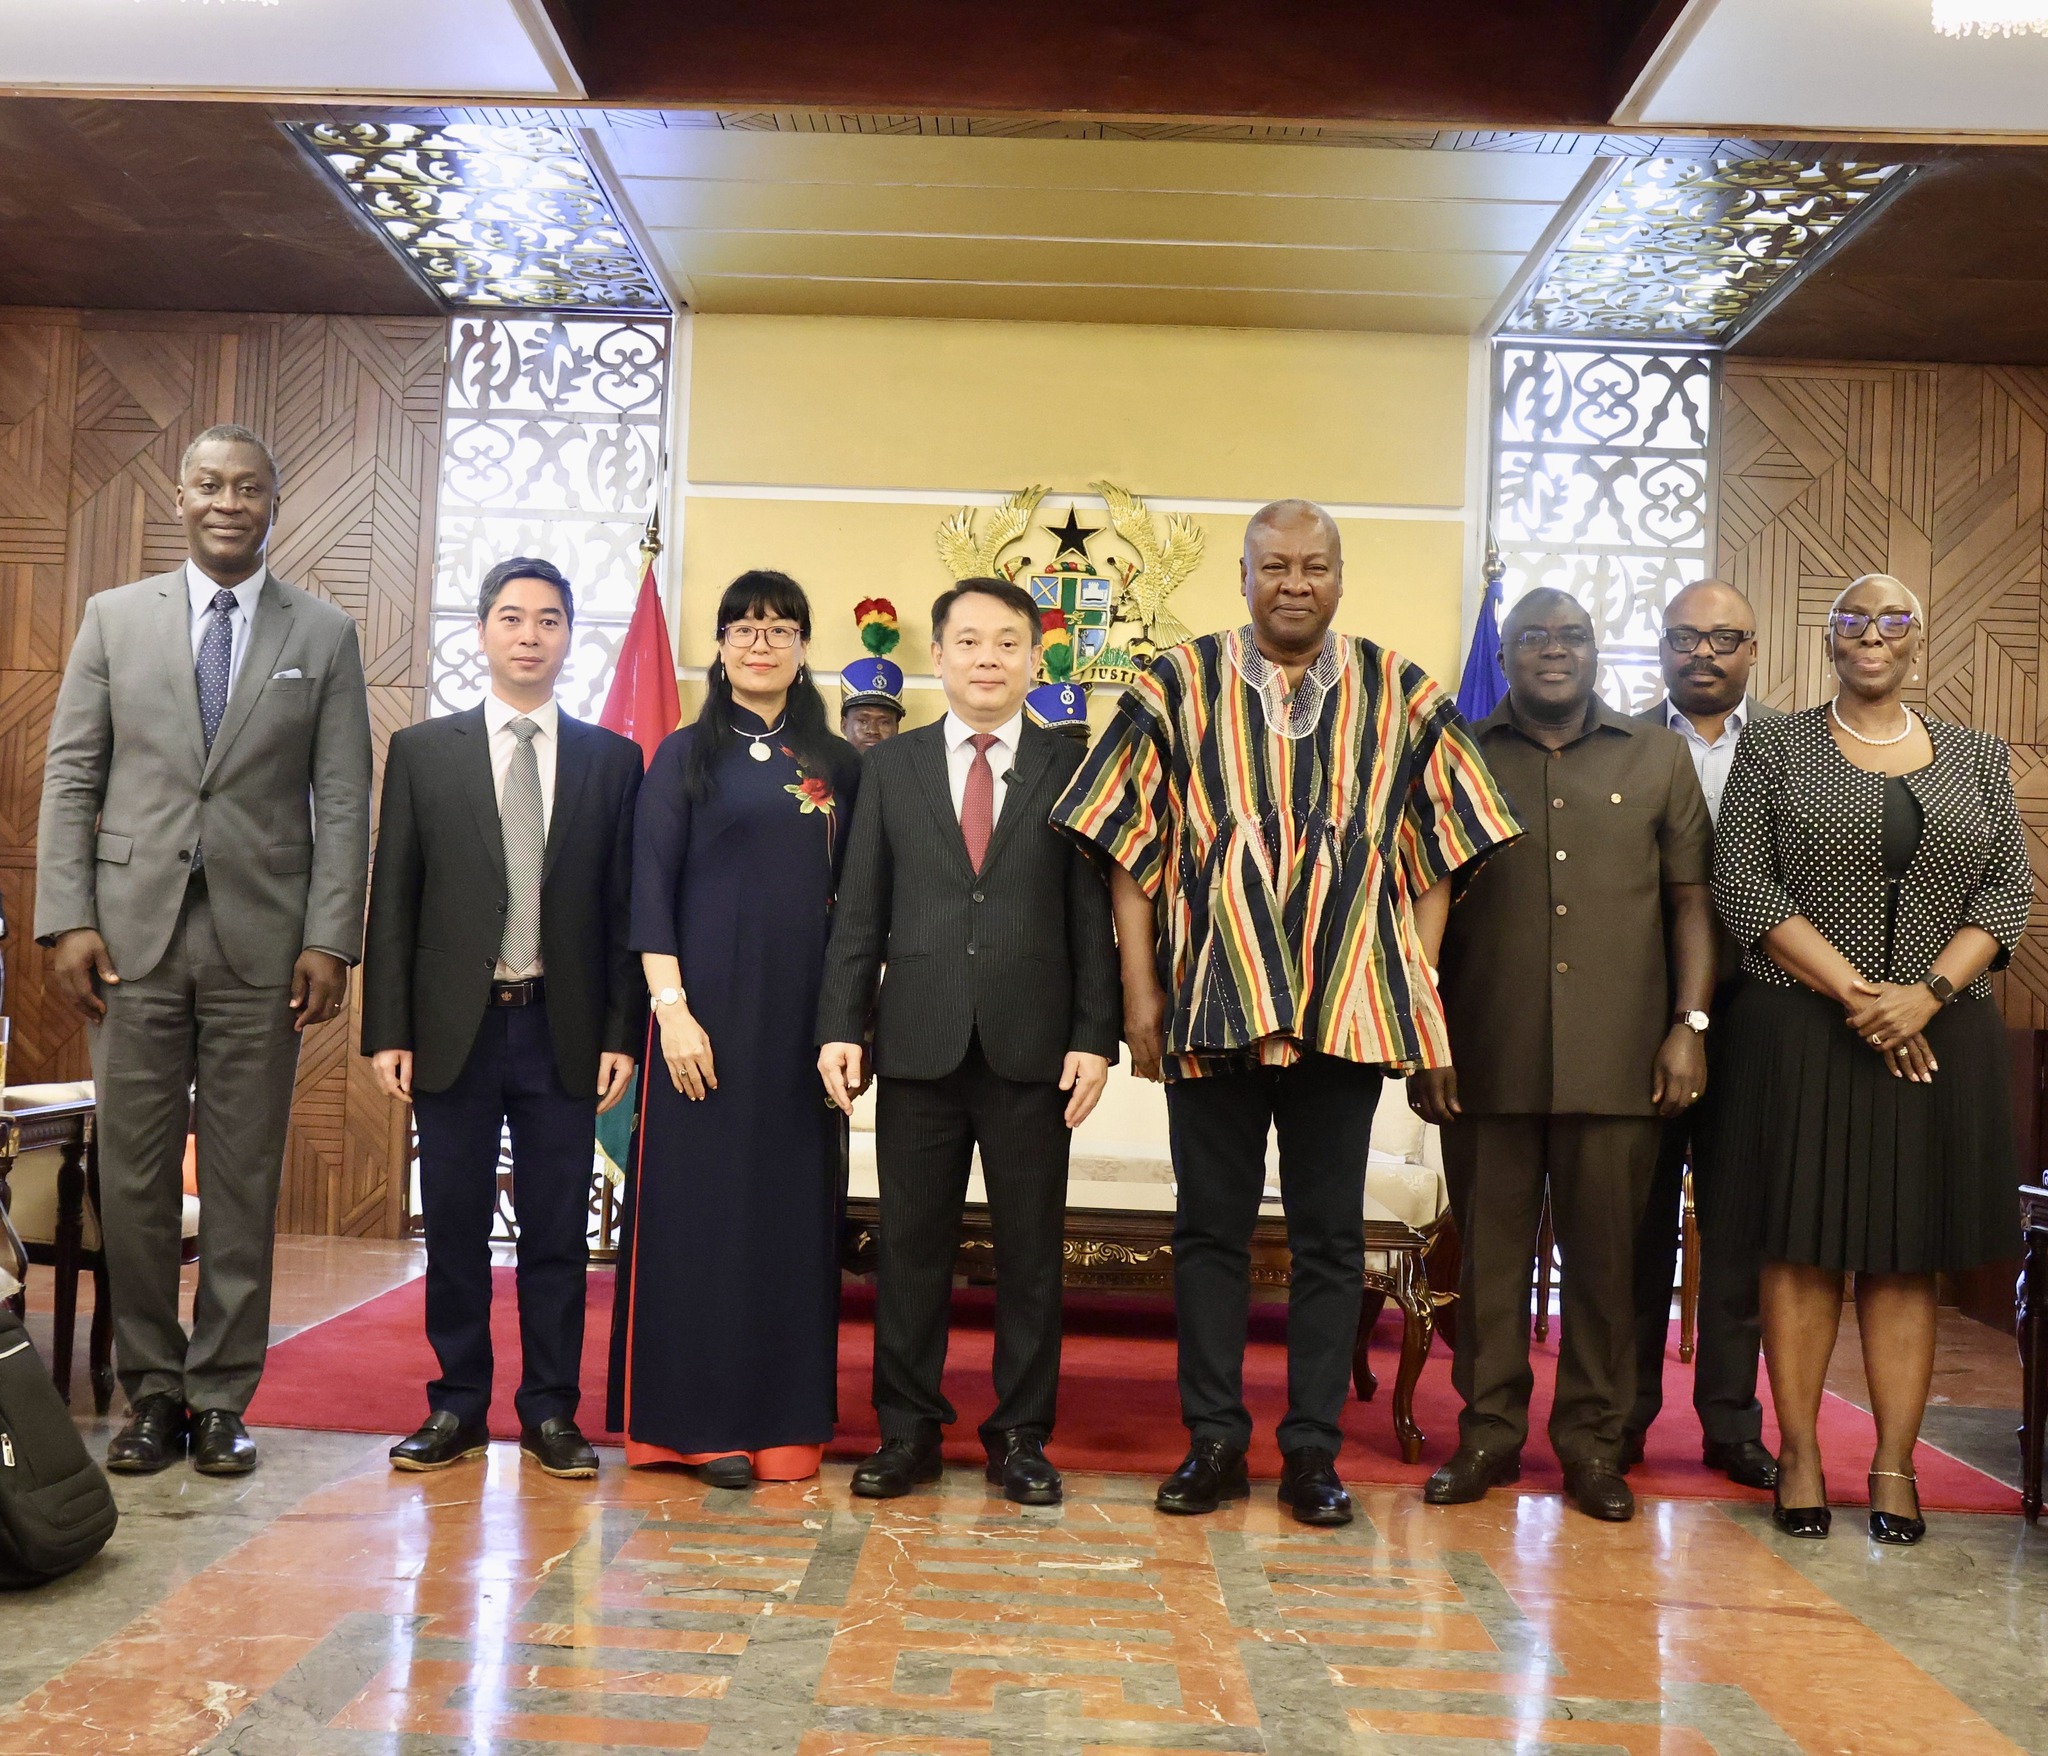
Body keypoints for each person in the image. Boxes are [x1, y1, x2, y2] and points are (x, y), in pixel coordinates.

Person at [1054, 501, 1520, 1528]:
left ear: (1341, 578)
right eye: (1274, 565)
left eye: (1314, 565)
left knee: (1325, 1239)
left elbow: (1447, 844)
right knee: (1207, 1231)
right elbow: (1126, 848)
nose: (1294, 582)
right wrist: (1139, 991)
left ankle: (1310, 1451)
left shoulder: (1401, 691)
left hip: (1343, 1000)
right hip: (1208, 995)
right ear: (1243, 576)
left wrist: (1411, 975)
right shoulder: (1170, 682)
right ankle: (1212, 1440)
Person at [35, 423, 371, 1476]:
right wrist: (68, 917)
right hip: (129, 943)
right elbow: (74, 777)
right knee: (131, 1182)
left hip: (263, 949)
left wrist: (330, 936)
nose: (231, 501)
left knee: (240, 1176)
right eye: (211, 484)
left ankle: (223, 1396)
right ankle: (152, 1394)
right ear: (178, 495)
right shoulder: (112, 619)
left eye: (251, 487)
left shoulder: (322, 633)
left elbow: (347, 797)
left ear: (275, 502)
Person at [1712, 572, 2030, 1545]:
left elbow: (2004, 892)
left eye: (1889, 619)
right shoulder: (1772, 745)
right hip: (1802, 1034)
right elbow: (1741, 883)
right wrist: (1859, 997)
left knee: (1904, 1261)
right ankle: (1800, 1454)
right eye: (1850, 620)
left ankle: (1893, 1464)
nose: (1869, 635)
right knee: (1800, 1254)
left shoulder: (1975, 757)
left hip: (1938, 1036)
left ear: (1914, 638)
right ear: (1827, 639)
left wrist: (1922, 995)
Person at [1413, 586, 1716, 1524]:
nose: (1555, 649)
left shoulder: (1659, 756)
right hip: (1484, 1053)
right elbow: (1418, 896)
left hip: (1622, 1058)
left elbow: (1691, 902)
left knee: (1608, 1270)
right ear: (1504, 656)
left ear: (1596, 651)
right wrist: (1425, 1037)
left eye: (1572, 636)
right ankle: (1488, 1437)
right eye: (1533, 636)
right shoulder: (1452, 754)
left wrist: (1690, 1025)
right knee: (1491, 1267)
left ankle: (1592, 1446)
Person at [818, 576, 1119, 1506]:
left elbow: (1092, 919)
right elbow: (859, 910)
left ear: (1036, 659)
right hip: (918, 1042)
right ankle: (905, 1434)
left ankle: (1021, 1438)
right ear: (938, 657)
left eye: (1006, 643)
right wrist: (840, 1025)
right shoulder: (892, 768)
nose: (987, 658)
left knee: (1032, 1255)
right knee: (910, 1251)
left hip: (1034, 1049)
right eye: (969, 642)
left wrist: (1094, 1038)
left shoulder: (1073, 768)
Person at [363, 558, 642, 1481]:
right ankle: (457, 1408)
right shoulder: (423, 752)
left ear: (570, 638)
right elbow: (392, 899)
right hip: (455, 1028)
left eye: (550, 620)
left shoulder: (612, 761)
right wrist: (387, 1028)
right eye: (513, 618)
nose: (530, 635)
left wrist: (618, 1033)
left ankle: (552, 1412)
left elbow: (621, 913)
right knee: (450, 1226)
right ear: (481, 631)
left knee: (557, 1234)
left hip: (562, 1029)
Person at [612, 571, 862, 1487]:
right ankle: (689, 1425)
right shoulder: (684, 755)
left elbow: (860, 906)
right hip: (700, 1027)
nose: (761, 642)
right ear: (718, 646)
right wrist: (672, 1014)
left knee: (790, 1224)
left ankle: (785, 1423)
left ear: (802, 646)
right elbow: (649, 894)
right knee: (703, 1222)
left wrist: (846, 1026)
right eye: (743, 627)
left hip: (800, 1035)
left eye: (781, 627)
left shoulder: (839, 765)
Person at [1624, 579, 1780, 1489]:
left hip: (1763, 1023)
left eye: (1725, 638)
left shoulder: (1799, 751)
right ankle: (1626, 1416)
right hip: (1643, 1023)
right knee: (1634, 1234)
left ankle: (1731, 1423)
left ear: (1753, 650)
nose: (1704, 654)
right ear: (1662, 649)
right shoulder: (1626, 745)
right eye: (1685, 638)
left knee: (1740, 1235)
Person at [840, 596, 907, 752]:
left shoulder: (913, 775)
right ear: (844, 725)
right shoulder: (823, 774)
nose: (873, 731)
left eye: (884, 722)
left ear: (896, 728)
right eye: (862, 720)